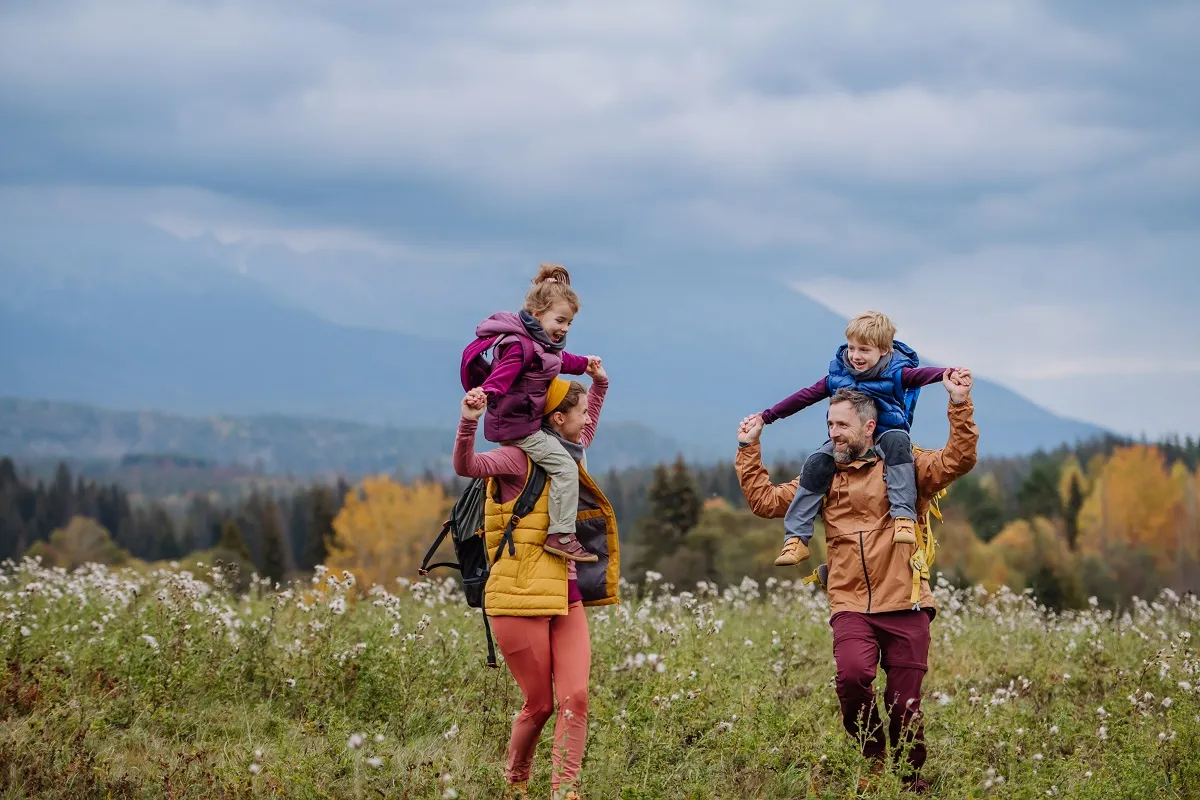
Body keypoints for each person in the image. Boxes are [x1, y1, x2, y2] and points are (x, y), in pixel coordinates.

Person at [736, 371, 978, 791]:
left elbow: (958, 459)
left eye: (842, 425)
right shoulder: (823, 474)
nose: (834, 434)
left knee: (905, 706)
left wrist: (958, 403)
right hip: (850, 603)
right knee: (851, 679)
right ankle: (873, 755)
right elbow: (765, 501)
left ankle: (910, 781)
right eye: (829, 425)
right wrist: (747, 447)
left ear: (869, 426)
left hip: (907, 600)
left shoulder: (906, 465)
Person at [454, 359, 620, 800]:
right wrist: (469, 422)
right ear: (557, 418)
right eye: (579, 413)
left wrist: (599, 384)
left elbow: (589, 419)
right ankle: (515, 784)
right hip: (519, 599)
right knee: (541, 704)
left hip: (566, 597)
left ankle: (566, 791)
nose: (587, 422)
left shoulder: (569, 451)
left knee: (576, 698)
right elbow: (466, 465)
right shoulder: (516, 457)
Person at [755, 310, 965, 568]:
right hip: (850, 440)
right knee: (815, 463)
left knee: (900, 448)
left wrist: (951, 373)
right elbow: (804, 396)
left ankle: (903, 518)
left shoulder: (896, 373)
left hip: (887, 431)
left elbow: (923, 376)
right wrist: (768, 416)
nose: (855, 356)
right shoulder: (838, 375)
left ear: (884, 349)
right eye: (852, 348)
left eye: (864, 350)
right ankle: (797, 538)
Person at [463, 264, 602, 563]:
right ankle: (561, 535)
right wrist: (484, 393)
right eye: (561, 320)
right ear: (538, 316)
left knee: (575, 453)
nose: (565, 328)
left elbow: (558, 360)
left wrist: (585, 364)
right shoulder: (520, 347)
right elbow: (501, 376)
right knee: (565, 468)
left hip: (526, 421)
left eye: (570, 323)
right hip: (518, 428)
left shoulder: (541, 344)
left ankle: (567, 509)